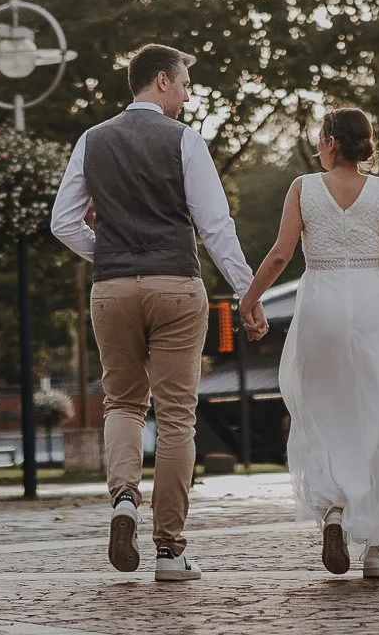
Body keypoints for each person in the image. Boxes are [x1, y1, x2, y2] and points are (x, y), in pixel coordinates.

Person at [49, 44, 257, 583]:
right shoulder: (184, 140)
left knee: (120, 400)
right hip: (176, 288)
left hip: (112, 289)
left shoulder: (91, 140)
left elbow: (63, 222)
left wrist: (111, 252)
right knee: (175, 417)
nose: (188, 93)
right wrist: (247, 291)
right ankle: (170, 551)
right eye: (185, 82)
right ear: (161, 80)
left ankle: (123, 500)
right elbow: (215, 227)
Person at [239, 107, 379, 581]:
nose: (317, 141)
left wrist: (248, 302)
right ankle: (375, 548)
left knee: (323, 412)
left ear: (332, 141)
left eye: (320, 134)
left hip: (322, 304)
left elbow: (279, 255)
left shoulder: (303, 188)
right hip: (377, 306)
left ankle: (334, 508)